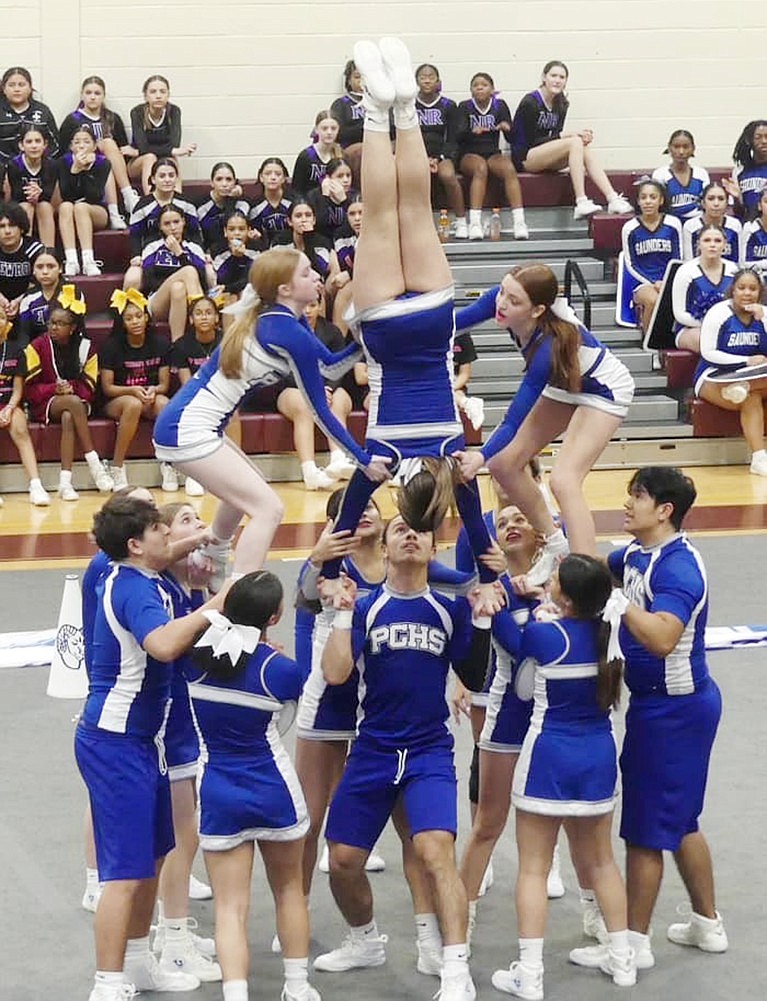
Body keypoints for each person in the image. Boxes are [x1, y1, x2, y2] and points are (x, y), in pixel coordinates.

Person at [317, 38, 497, 606]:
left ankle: (402, 108)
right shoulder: (382, 459)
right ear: (401, 492)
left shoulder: (453, 449)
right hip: (386, 330)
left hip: (432, 316)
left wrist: (493, 577)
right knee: (379, 217)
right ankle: (376, 107)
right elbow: (346, 520)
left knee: (414, 208)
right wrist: (327, 572)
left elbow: (476, 527)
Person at [316, 507, 498, 1001]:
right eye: (401, 530)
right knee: (344, 860)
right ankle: (364, 939)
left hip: (428, 750)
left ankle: (455, 970)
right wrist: (342, 613)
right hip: (373, 747)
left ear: (433, 548)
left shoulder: (448, 608)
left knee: (434, 850)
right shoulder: (367, 606)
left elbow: (477, 674)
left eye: (420, 532)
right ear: (386, 547)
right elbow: (335, 674)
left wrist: (482, 621)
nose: (411, 537)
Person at [152, 246, 389, 587]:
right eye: (307, 273)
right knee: (268, 509)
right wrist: (362, 459)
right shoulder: (285, 329)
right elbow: (321, 410)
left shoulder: (281, 319)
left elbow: (330, 364)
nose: (317, 277)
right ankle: (239, 598)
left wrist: (364, 335)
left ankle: (213, 555)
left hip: (190, 425)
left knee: (248, 489)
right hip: (186, 429)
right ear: (285, 289)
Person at [74, 494, 223, 1001]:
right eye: (162, 530)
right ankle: (107, 984)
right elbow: (161, 645)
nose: (170, 537)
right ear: (137, 544)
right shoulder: (135, 589)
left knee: (154, 858)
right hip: (116, 743)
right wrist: (216, 607)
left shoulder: (144, 575)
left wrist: (205, 537)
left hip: (145, 742)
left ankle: (137, 963)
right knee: (124, 873)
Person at [493, 555, 634, 998]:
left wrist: (503, 594)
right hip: (597, 758)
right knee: (602, 861)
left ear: (567, 599)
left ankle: (530, 974)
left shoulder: (542, 634)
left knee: (533, 868)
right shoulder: (608, 634)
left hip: (548, 759)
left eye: (553, 579)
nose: (547, 580)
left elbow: (507, 635)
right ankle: (622, 958)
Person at [606, 466, 727, 970]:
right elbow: (592, 562)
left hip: (675, 711)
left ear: (664, 510)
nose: (627, 502)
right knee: (680, 821)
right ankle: (707, 924)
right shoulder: (636, 553)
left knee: (645, 829)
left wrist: (619, 605)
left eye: (637, 495)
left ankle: (632, 944)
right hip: (659, 706)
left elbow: (660, 638)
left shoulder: (680, 567)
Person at [455, 263, 635, 585]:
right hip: (564, 384)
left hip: (603, 389)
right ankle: (555, 543)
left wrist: (477, 457)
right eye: (503, 292)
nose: (501, 304)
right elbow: (450, 325)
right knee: (503, 464)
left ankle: (587, 579)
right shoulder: (500, 300)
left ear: (538, 309)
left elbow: (513, 420)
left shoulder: (549, 347)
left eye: (514, 301)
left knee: (564, 481)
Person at [188, 570, 322, 1001]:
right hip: (273, 791)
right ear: (276, 615)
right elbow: (293, 714)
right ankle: (298, 989)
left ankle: (236, 994)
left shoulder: (192, 660)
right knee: (289, 891)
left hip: (218, 794)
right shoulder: (281, 670)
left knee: (230, 907)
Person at [458, 505, 541, 925]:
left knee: (575, 829)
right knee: (487, 823)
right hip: (508, 715)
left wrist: (543, 592)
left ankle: (593, 913)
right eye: (502, 523)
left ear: (540, 533)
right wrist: (515, 591)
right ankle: (461, 918)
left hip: (560, 720)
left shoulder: (565, 579)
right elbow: (525, 648)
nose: (510, 526)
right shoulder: (494, 590)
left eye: (519, 520)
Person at [152, 502, 222, 986]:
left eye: (202, 522)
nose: (199, 530)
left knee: (185, 829)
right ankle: (173, 942)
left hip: (183, 722)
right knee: (180, 833)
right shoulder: (156, 590)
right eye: (186, 523)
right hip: (165, 724)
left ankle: (171, 931)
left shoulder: (185, 589)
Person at [511, 61, 632, 220]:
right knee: (574, 141)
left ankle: (612, 198)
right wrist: (566, 136)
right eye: (553, 75)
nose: (557, 80)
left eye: (562, 77)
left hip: (545, 157)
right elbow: (529, 142)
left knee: (581, 145)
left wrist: (580, 137)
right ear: (544, 77)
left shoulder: (561, 103)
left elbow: (555, 137)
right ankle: (581, 201)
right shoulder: (530, 102)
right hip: (525, 158)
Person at [24, 293, 114, 497]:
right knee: (72, 404)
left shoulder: (87, 347)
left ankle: (65, 483)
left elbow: (90, 388)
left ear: (72, 328)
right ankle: (95, 464)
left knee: (68, 415)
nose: (53, 327)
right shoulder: (37, 346)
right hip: (44, 403)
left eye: (60, 324)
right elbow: (29, 389)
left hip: (78, 403)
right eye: (51, 323)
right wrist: (53, 390)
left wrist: (70, 387)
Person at [693, 268, 767, 476]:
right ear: (732, 290)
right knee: (749, 396)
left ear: (760, 292)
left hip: (753, 380)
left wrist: (764, 321)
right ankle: (760, 459)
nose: (747, 293)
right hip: (714, 376)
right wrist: (745, 360)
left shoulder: (763, 314)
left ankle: (759, 459)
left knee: (749, 396)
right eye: (741, 288)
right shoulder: (719, 312)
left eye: (752, 289)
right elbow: (708, 353)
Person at [100, 288, 174, 491]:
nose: (135, 321)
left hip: (149, 398)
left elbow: (164, 385)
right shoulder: (112, 346)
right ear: (122, 323)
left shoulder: (161, 343)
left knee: (164, 403)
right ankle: (116, 466)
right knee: (133, 404)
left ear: (146, 317)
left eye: (139, 316)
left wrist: (153, 390)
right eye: (129, 318)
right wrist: (133, 391)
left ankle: (170, 465)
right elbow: (107, 388)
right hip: (119, 400)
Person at [173, 295, 241, 496]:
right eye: (199, 313)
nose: (204, 317)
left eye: (209, 313)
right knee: (193, 414)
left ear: (217, 318)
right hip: (196, 395)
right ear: (191, 319)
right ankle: (195, 475)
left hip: (223, 393)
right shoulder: (181, 345)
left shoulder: (227, 342)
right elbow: (187, 383)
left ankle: (234, 469)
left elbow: (233, 375)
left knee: (234, 413)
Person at [456, 72, 528, 240]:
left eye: (484, 85)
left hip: (492, 152)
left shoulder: (499, 106)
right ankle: (474, 223)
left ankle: (519, 222)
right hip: (469, 153)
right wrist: (470, 132)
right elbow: (456, 136)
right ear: (471, 91)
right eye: (476, 85)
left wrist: (506, 127)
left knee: (508, 168)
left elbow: (511, 136)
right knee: (480, 167)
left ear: (492, 90)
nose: (480, 87)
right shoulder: (465, 106)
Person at [59, 75, 139, 215]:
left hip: (109, 168)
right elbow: (63, 150)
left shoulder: (112, 118)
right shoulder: (72, 119)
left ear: (103, 96)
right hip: (84, 168)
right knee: (106, 144)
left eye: (97, 93)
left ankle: (126, 199)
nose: (93, 97)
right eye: (88, 93)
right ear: (82, 96)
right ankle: (126, 196)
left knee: (108, 144)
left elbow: (122, 149)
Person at [124, 157, 201, 292]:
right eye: (162, 176)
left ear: (176, 178)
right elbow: (135, 235)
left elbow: (195, 232)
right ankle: (131, 311)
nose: (167, 179)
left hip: (182, 249)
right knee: (132, 278)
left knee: (210, 272)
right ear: (153, 179)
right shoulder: (142, 205)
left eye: (171, 175)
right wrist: (136, 255)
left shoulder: (186, 204)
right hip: (152, 252)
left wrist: (200, 251)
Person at [0, 302, 50, 505]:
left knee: (20, 428)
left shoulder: (15, 350)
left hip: (8, 402)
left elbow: (18, 389)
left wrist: (10, 409)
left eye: (2, 317)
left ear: (7, 323)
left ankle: (36, 486)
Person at [618, 179, 682, 335]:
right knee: (653, 299)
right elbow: (631, 265)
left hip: (669, 281)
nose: (648, 201)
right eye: (644, 197)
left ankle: (671, 342)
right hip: (641, 284)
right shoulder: (630, 228)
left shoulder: (673, 224)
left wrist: (666, 282)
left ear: (661, 200)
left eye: (653, 197)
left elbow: (679, 258)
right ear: (638, 201)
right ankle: (651, 346)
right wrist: (653, 283)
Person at [139, 203, 210, 341]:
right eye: (167, 224)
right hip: (159, 301)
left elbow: (201, 279)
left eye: (176, 222)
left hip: (185, 299)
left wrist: (179, 253)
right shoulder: (152, 247)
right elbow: (149, 281)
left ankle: (177, 344)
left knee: (179, 288)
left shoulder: (194, 248)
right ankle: (203, 314)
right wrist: (176, 278)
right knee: (187, 272)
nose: (172, 228)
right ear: (160, 226)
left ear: (183, 222)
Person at [414, 63, 466, 237]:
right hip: (416, 154)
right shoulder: (409, 105)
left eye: (431, 77)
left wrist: (439, 157)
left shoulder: (449, 105)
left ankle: (461, 221)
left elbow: (452, 138)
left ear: (438, 81)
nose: (427, 80)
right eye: (423, 77)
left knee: (448, 175)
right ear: (416, 81)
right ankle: (420, 224)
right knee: (415, 177)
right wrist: (422, 158)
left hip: (442, 155)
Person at [671, 224, 737, 351]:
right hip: (690, 328)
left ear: (724, 245)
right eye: (707, 240)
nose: (712, 245)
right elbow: (679, 314)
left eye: (717, 241)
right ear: (699, 244)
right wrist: (711, 324)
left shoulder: (733, 269)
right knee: (706, 340)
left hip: (728, 327)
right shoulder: (685, 271)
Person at [58, 126, 113, 277]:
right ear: (71, 146)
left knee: (81, 207)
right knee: (65, 206)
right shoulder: (64, 162)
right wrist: (74, 171)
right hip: (71, 210)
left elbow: (94, 196)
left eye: (86, 142)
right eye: (77, 142)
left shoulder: (103, 163)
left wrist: (86, 170)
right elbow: (66, 195)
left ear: (94, 146)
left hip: (97, 211)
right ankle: (72, 261)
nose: (81, 145)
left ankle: (88, 260)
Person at [126, 75, 195, 194]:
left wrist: (139, 150)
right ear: (145, 96)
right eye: (153, 92)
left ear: (168, 95)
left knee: (170, 159)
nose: (158, 96)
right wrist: (173, 150)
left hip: (161, 159)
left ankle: (177, 201)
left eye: (162, 92)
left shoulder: (174, 111)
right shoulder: (137, 112)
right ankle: (150, 202)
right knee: (150, 157)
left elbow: (174, 143)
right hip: (138, 163)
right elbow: (143, 146)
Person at [6, 124, 57, 246]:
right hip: (23, 205)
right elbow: (16, 195)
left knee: (44, 206)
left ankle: (48, 252)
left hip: (45, 207)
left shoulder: (52, 165)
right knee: (25, 207)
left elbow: (49, 193)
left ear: (45, 144)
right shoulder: (14, 165)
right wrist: (33, 195)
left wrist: (40, 194)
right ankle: (25, 251)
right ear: (21, 146)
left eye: (38, 141)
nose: (34, 146)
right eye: (29, 142)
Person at [0, 67, 60, 165]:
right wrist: (9, 166)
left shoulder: (43, 110)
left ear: (30, 88)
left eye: (22, 85)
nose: (17, 89)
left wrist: (41, 162)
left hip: (39, 169)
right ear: (4, 89)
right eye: (11, 85)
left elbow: (56, 145)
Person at [270, 201, 339, 285]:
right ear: (289, 221)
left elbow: (316, 272)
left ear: (314, 220)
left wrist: (308, 237)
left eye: (308, 215)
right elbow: (278, 272)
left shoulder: (322, 242)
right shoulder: (280, 242)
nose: (304, 220)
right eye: (298, 216)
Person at [0, 199, 42, 327]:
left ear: (22, 228)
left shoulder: (35, 250)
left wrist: (20, 301)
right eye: (2, 226)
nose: (7, 231)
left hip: (27, 301)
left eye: (12, 225)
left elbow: (41, 284)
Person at [652, 130, 710, 221]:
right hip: (669, 225)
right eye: (676, 147)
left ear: (693, 148)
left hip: (696, 224)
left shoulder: (701, 174)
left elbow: (707, 204)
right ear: (669, 148)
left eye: (686, 147)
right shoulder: (660, 174)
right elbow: (657, 207)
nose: (681, 151)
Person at [16, 247, 69, 345]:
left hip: (68, 348)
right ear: (33, 270)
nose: (45, 272)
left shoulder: (72, 292)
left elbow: (78, 329)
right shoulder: (28, 298)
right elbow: (24, 333)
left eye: (51, 266)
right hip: (38, 349)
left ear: (60, 268)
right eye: (39, 267)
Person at [196, 162, 250, 253]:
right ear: (212, 183)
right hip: (210, 253)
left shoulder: (243, 203)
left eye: (229, 179)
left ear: (235, 182)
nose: (224, 184)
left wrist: (231, 199)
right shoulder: (201, 206)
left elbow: (234, 227)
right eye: (219, 179)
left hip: (238, 249)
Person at [682, 181, 742, 264]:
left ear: (727, 203)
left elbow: (740, 262)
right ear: (703, 203)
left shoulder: (735, 225)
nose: (716, 203)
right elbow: (688, 262)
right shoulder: (690, 226)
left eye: (721, 199)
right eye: (711, 199)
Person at [722, 119, 767, 221]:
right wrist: (737, 198)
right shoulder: (739, 171)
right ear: (749, 140)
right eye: (758, 137)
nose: (764, 141)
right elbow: (739, 211)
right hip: (748, 225)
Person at [211, 209, 261, 302]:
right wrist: (235, 258)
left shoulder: (255, 251)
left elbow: (251, 279)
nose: (237, 233)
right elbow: (221, 279)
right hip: (225, 293)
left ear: (248, 231)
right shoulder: (219, 251)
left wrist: (228, 288)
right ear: (225, 231)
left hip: (246, 291)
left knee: (245, 293)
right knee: (230, 297)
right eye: (231, 229)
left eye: (241, 229)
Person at [330, 59, 365, 186]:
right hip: (350, 151)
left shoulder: (380, 104)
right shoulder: (341, 104)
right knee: (360, 152)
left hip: (377, 150)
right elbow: (339, 133)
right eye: (357, 77)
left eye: (365, 77)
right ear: (349, 80)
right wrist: (364, 127)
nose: (361, 81)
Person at [292, 110, 343, 196]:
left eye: (333, 128)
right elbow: (297, 190)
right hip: (310, 205)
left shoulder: (342, 156)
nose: (329, 132)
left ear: (338, 130)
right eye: (324, 128)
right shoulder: (306, 156)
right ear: (316, 130)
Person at [307, 156, 357, 239]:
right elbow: (319, 226)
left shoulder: (355, 196)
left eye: (348, 175)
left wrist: (345, 201)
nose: (346, 180)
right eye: (340, 176)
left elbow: (354, 225)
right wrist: (325, 197)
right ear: (328, 178)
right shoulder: (314, 196)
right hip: (322, 242)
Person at [249, 157, 293, 242]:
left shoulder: (293, 203)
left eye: (278, 174)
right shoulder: (254, 206)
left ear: (284, 178)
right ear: (261, 177)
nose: (273, 177)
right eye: (268, 173)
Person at [741, 187, 767, 271]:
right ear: (759, 205)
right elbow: (742, 262)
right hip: (755, 278)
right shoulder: (750, 228)